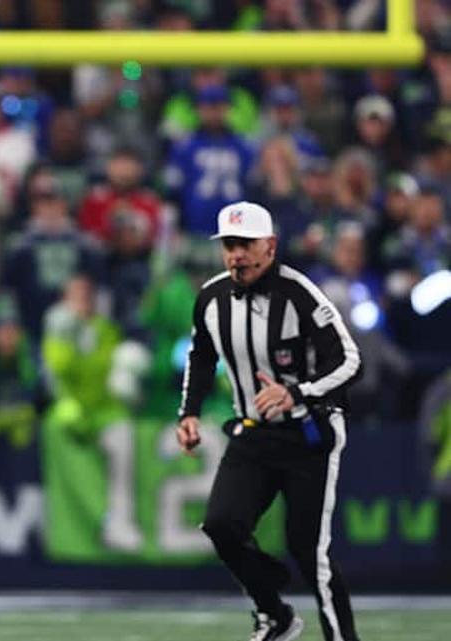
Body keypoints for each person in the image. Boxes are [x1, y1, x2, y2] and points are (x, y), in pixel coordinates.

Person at [177, 201, 362, 641]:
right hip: (252, 432)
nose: (236, 254)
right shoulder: (212, 297)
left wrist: (296, 391)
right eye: (229, 245)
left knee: (309, 552)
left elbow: (351, 361)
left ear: (270, 246)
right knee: (222, 525)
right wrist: (189, 412)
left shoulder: (300, 294)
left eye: (245, 244)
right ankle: (273, 612)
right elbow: (200, 357)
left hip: (308, 434)